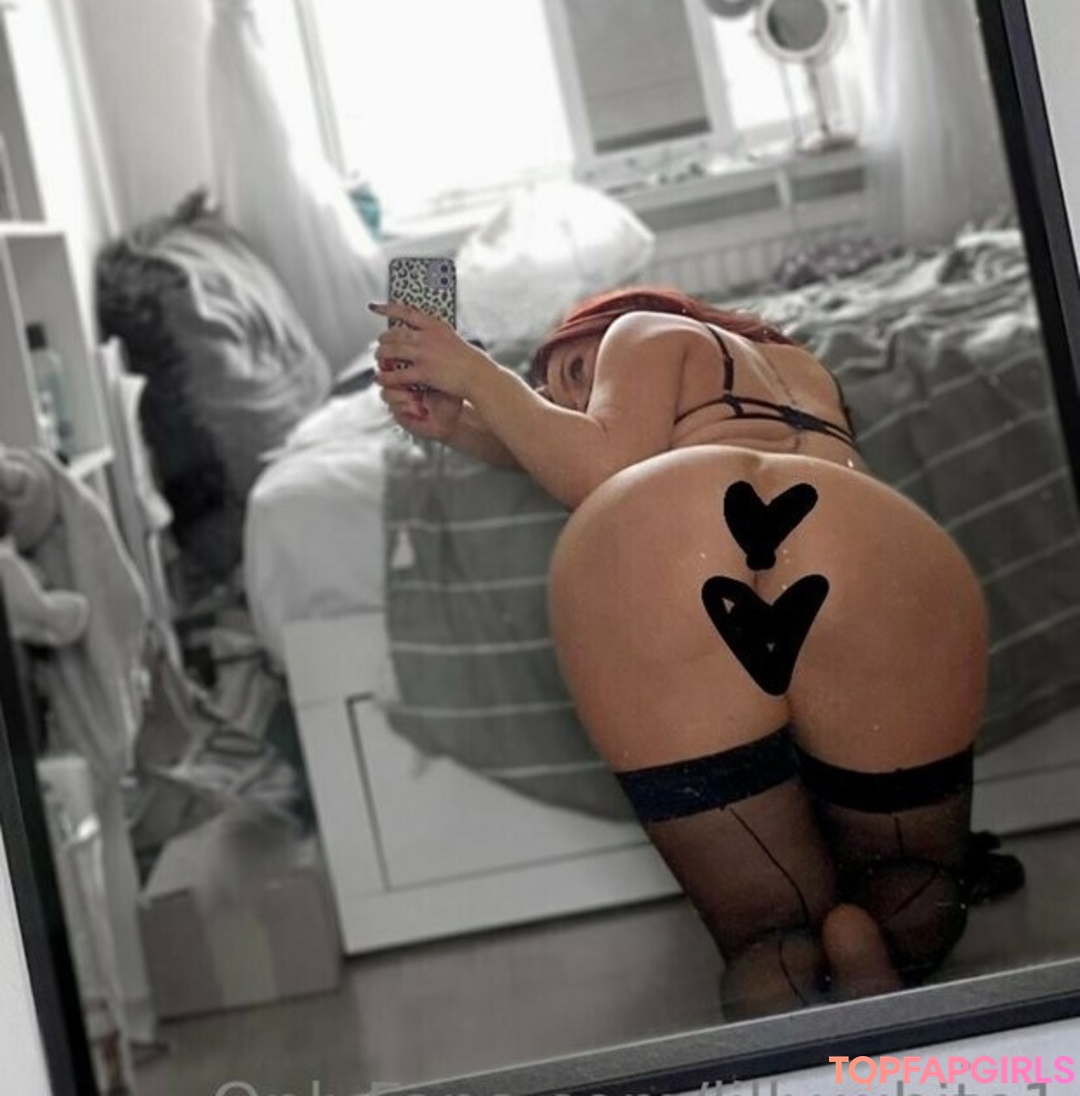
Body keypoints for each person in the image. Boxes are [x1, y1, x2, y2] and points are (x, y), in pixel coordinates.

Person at [373, 285, 1020, 1018]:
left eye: (577, 373)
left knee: (767, 936)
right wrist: (464, 425)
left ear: (606, 321)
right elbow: (580, 440)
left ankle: (798, 980)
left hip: (689, 522)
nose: (578, 402)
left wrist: (475, 371)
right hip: (865, 526)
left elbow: (601, 463)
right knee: (914, 882)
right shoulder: (799, 367)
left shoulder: (643, 328)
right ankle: (875, 949)